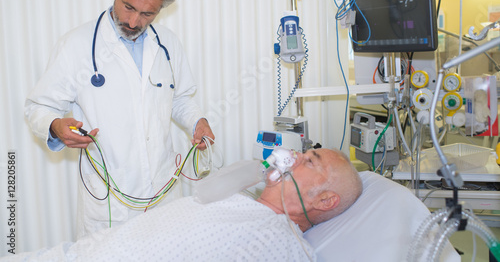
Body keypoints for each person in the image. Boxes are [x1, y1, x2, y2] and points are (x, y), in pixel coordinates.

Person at [24, 0, 214, 238]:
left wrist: (198, 121)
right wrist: (55, 126)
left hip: (163, 190)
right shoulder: (76, 45)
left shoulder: (167, 44)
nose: (135, 21)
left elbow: (181, 98)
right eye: (128, 7)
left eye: (148, 14)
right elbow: (39, 106)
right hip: (109, 200)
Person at [5, 148, 362, 261]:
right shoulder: (237, 198)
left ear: (325, 200)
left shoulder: (281, 243)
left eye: (310, 161)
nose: (295, 157)